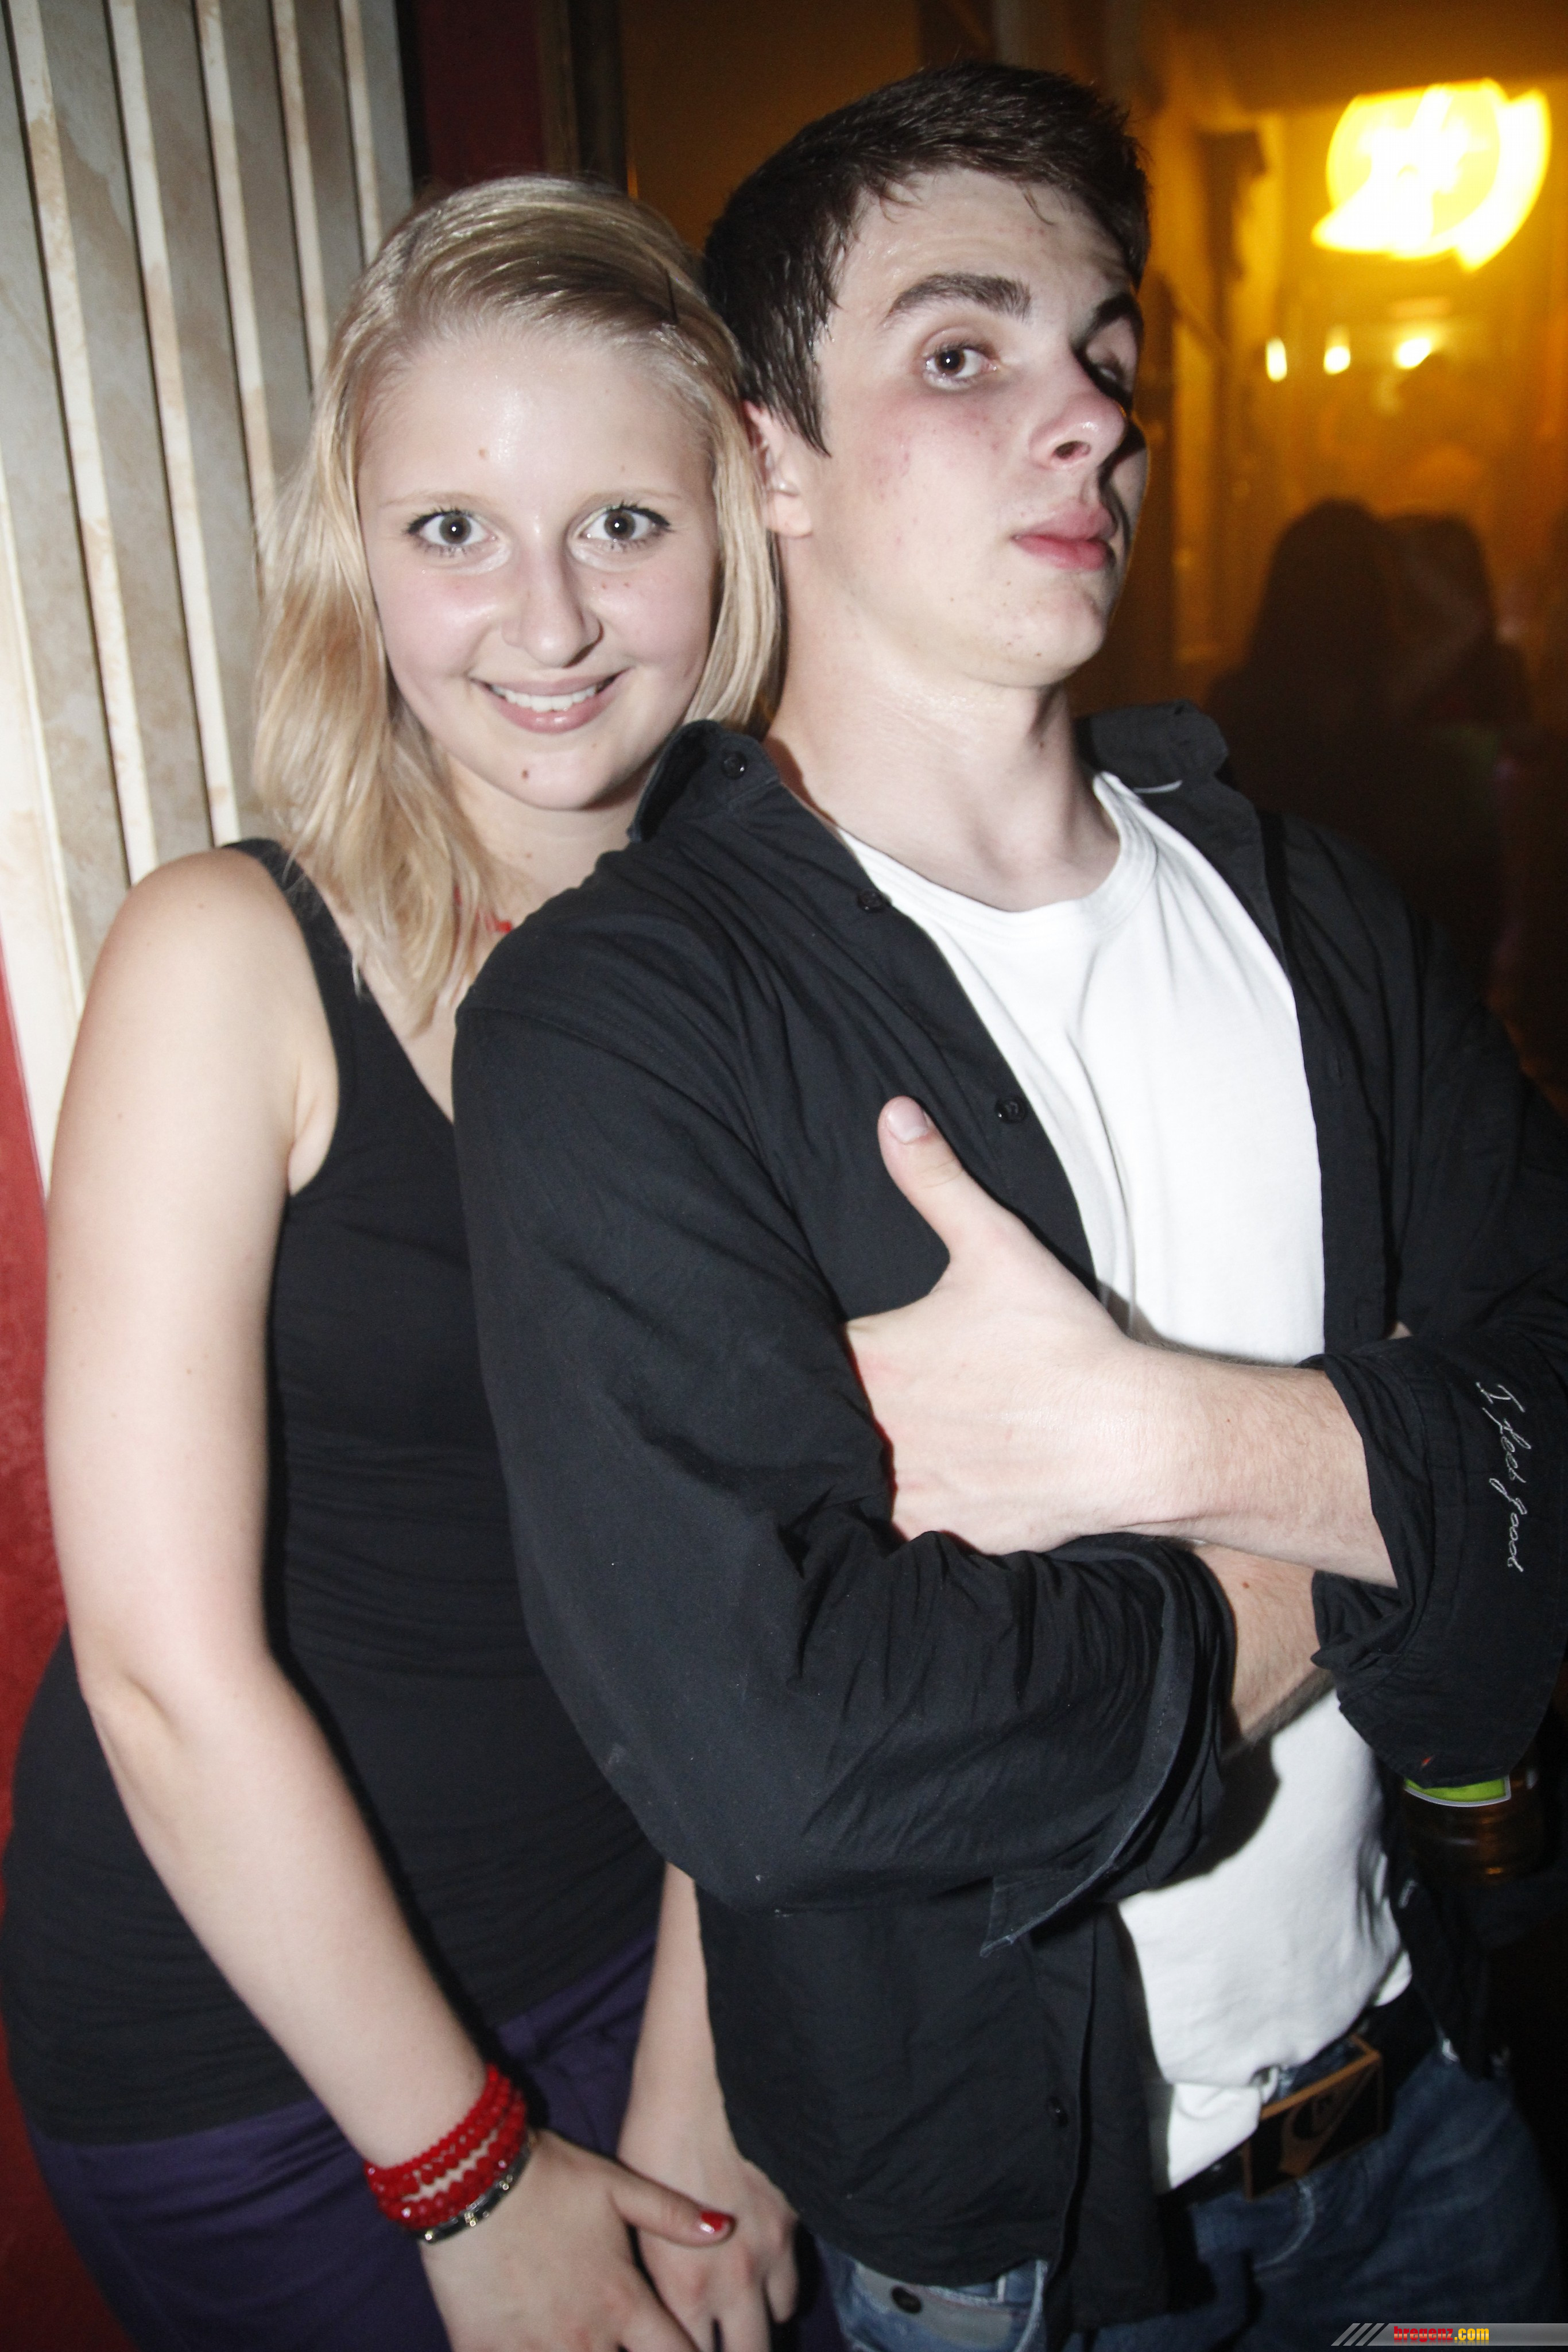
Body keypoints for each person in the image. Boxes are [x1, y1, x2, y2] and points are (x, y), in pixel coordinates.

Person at [452, 65, 1568, 2348]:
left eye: (1103, 354)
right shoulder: (623, 1014)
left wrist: (1175, 1437)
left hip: (1432, 2109)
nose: (1087, 421)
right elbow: (776, 1750)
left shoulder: (1312, 914)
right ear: (767, 453)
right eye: (961, 354)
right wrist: (1379, 1519)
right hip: (1023, 2255)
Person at [0, 177, 799, 2352]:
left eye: (620, 523)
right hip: (265, 2044)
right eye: (453, 528)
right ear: (355, 563)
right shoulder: (229, 957)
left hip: (655, 1938)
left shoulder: (780, 972)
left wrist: (709, 2074)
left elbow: (775, 1585)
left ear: (731, 538)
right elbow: (161, 1666)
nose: (545, 618)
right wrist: (466, 2176)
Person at [1206, 500, 1505, 989]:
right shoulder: (1374, 694)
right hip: (1368, 917)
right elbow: (1465, 623)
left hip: (1271, 922)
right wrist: (1395, 547)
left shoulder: (1235, 698)